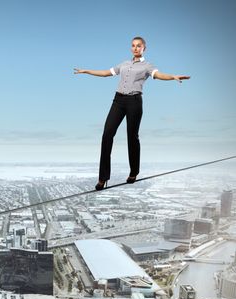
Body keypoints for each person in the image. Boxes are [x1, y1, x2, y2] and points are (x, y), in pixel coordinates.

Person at [74, 36, 190, 190]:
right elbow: (105, 73)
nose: (136, 48)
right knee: (107, 134)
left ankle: (134, 172)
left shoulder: (147, 66)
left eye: (139, 46)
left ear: (144, 48)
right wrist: (87, 71)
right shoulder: (124, 63)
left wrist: (173, 77)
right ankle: (103, 177)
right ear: (131, 48)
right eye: (133, 46)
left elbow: (159, 75)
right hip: (118, 101)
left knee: (132, 137)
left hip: (134, 102)